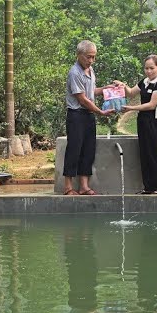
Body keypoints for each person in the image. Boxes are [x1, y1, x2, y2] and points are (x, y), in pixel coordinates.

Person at [63, 40, 116, 196]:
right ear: (79, 55)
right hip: (76, 115)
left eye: (94, 57)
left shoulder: (90, 70)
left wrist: (106, 89)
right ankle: (68, 187)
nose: (91, 60)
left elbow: (92, 91)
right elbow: (82, 99)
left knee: (88, 149)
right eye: (88, 57)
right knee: (74, 149)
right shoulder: (75, 73)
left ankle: (84, 186)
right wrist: (100, 112)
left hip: (88, 115)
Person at [119, 54, 157, 194]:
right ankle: (148, 187)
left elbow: (152, 105)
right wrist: (122, 85)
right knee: (144, 153)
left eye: (152, 68)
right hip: (143, 121)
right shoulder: (144, 82)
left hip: (155, 122)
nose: (149, 71)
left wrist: (131, 109)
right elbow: (130, 93)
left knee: (155, 153)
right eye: (146, 68)